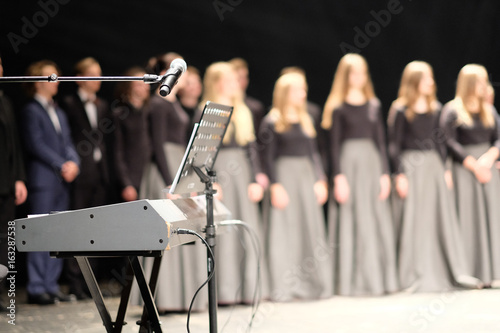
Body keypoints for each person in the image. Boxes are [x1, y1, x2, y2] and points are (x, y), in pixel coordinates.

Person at [388, 61, 482, 292]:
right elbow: (393, 145)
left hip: (433, 168)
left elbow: (441, 143)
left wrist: (446, 169)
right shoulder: (400, 109)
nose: (431, 82)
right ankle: (412, 272)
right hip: (412, 168)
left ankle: (440, 270)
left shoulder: (437, 108)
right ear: (414, 82)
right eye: (426, 78)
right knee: (414, 220)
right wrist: (400, 174)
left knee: (436, 219)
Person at [322, 53, 397, 296]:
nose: (359, 77)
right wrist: (339, 176)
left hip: (371, 165)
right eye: (354, 73)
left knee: (374, 218)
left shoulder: (374, 105)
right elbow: (333, 145)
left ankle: (379, 279)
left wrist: (385, 174)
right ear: (345, 76)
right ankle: (349, 281)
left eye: (362, 72)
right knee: (350, 219)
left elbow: (381, 142)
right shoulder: (338, 107)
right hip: (349, 166)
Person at [139, 53, 207, 312]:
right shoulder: (160, 103)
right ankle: (164, 296)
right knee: (166, 232)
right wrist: (171, 182)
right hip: (165, 170)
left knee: (181, 230)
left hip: (176, 164)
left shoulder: (173, 103)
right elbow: (157, 144)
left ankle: (180, 295)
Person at [260, 72, 330, 301]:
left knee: (308, 229)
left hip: (306, 178)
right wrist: (275, 185)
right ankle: (285, 285)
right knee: (285, 231)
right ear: (286, 93)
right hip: (285, 179)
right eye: (299, 90)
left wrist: (320, 179)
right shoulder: (272, 121)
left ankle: (313, 285)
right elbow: (266, 158)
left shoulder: (307, 118)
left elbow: (314, 153)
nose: (303, 94)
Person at [201, 61, 267, 304]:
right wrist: (211, 181)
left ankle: (249, 290)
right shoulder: (209, 109)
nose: (235, 84)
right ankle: (226, 292)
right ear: (216, 83)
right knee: (225, 233)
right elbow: (204, 153)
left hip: (242, 173)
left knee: (246, 229)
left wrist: (255, 179)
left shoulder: (243, 110)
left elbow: (252, 149)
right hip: (222, 175)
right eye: (229, 80)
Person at [21, 60, 80, 305]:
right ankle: (36, 286)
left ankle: (51, 284)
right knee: (40, 233)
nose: (56, 80)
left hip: (60, 182)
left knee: (58, 233)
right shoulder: (31, 110)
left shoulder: (58, 111)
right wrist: (61, 164)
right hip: (43, 180)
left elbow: (68, 143)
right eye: (50, 77)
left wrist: (74, 162)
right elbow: (36, 144)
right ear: (37, 82)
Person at [440, 64, 500, 286]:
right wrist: (474, 165)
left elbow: (497, 138)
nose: (484, 86)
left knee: (492, 218)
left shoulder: (489, 110)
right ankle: (472, 272)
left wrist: (489, 158)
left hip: (488, 168)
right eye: (480, 82)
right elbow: (449, 141)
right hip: (465, 170)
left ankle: (494, 272)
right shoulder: (452, 110)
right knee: (469, 218)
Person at [59, 57, 111, 299]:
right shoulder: (68, 104)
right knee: (77, 227)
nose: (99, 80)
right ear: (80, 78)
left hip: (99, 174)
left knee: (97, 228)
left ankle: (92, 283)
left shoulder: (102, 105)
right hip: (81, 173)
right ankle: (74, 282)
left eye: (100, 74)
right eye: (93, 75)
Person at [0, 55, 28, 308]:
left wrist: (19, 178)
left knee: (6, 238)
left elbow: (14, 146)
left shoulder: (5, 100)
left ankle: (2, 294)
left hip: (6, 182)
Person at [113, 67, 151, 202]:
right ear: (129, 86)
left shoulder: (149, 113)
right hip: (130, 179)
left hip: (148, 177)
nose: (144, 88)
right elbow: (117, 151)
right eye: (139, 84)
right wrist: (126, 183)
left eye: (146, 84)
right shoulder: (120, 114)